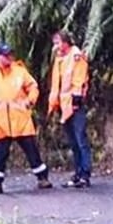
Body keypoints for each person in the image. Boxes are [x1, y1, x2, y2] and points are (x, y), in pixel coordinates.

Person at [0, 42, 51, 194]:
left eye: (10, 54)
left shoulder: (20, 71)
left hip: (20, 119)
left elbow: (33, 87)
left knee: (31, 150)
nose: (9, 57)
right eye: (5, 55)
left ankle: (42, 178)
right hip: (0, 121)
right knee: (0, 154)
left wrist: (30, 101)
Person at [48, 30, 92, 188]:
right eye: (55, 43)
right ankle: (78, 173)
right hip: (64, 105)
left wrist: (76, 102)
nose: (56, 46)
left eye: (58, 43)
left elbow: (79, 80)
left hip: (74, 105)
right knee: (73, 141)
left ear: (66, 42)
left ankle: (85, 174)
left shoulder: (76, 56)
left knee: (81, 139)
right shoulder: (60, 58)